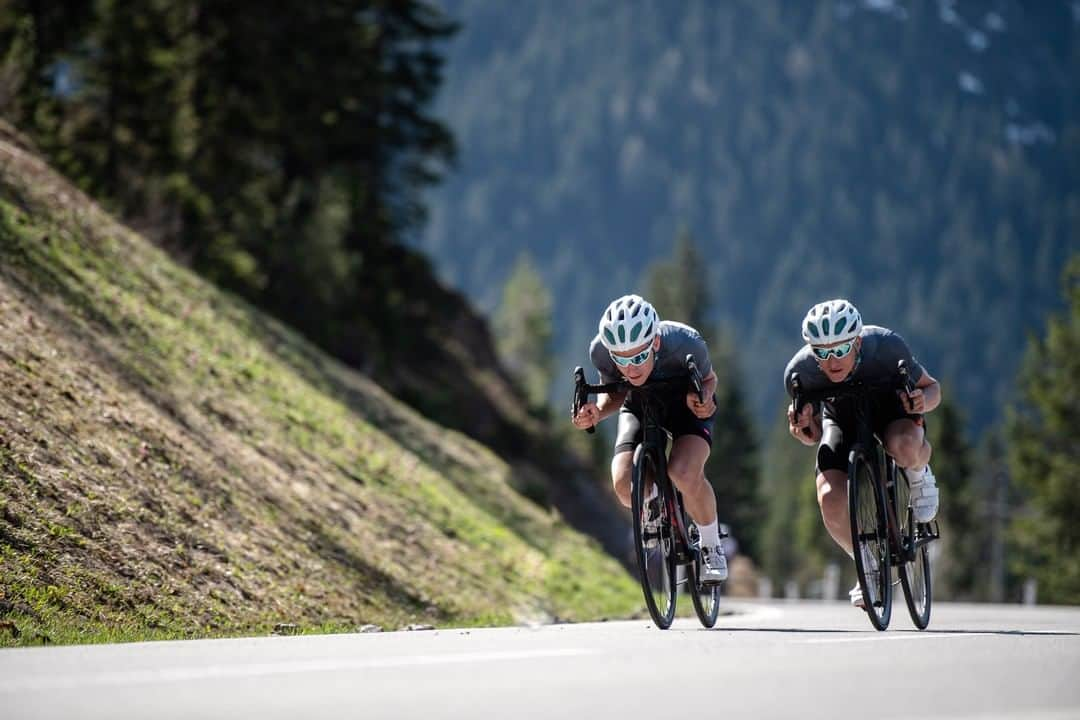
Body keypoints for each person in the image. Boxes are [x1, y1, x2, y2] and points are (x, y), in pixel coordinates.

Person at [783, 299, 940, 608]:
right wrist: (802, 429)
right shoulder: (799, 373)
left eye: (840, 350)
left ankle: (919, 474)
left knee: (904, 447)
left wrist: (923, 400)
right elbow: (811, 435)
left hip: (891, 411)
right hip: (841, 419)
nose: (831, 361)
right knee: (829, 497)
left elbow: (933, 388)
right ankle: (865, 562)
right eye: (822, 352)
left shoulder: (886, 347)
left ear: (857, 341)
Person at [571, 294, 727, 583]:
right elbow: (615, 393)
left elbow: (709, 379)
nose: (631, 368)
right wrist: (595, 414)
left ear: (655, 342)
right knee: (622, 484)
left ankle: (711, 545)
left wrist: (703, 399)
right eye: (622, 359)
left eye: (640, 356)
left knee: (683, 472)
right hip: (638, 405)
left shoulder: (685, 342)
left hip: (685, 406)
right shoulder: (601, 352)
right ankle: (653, 503)